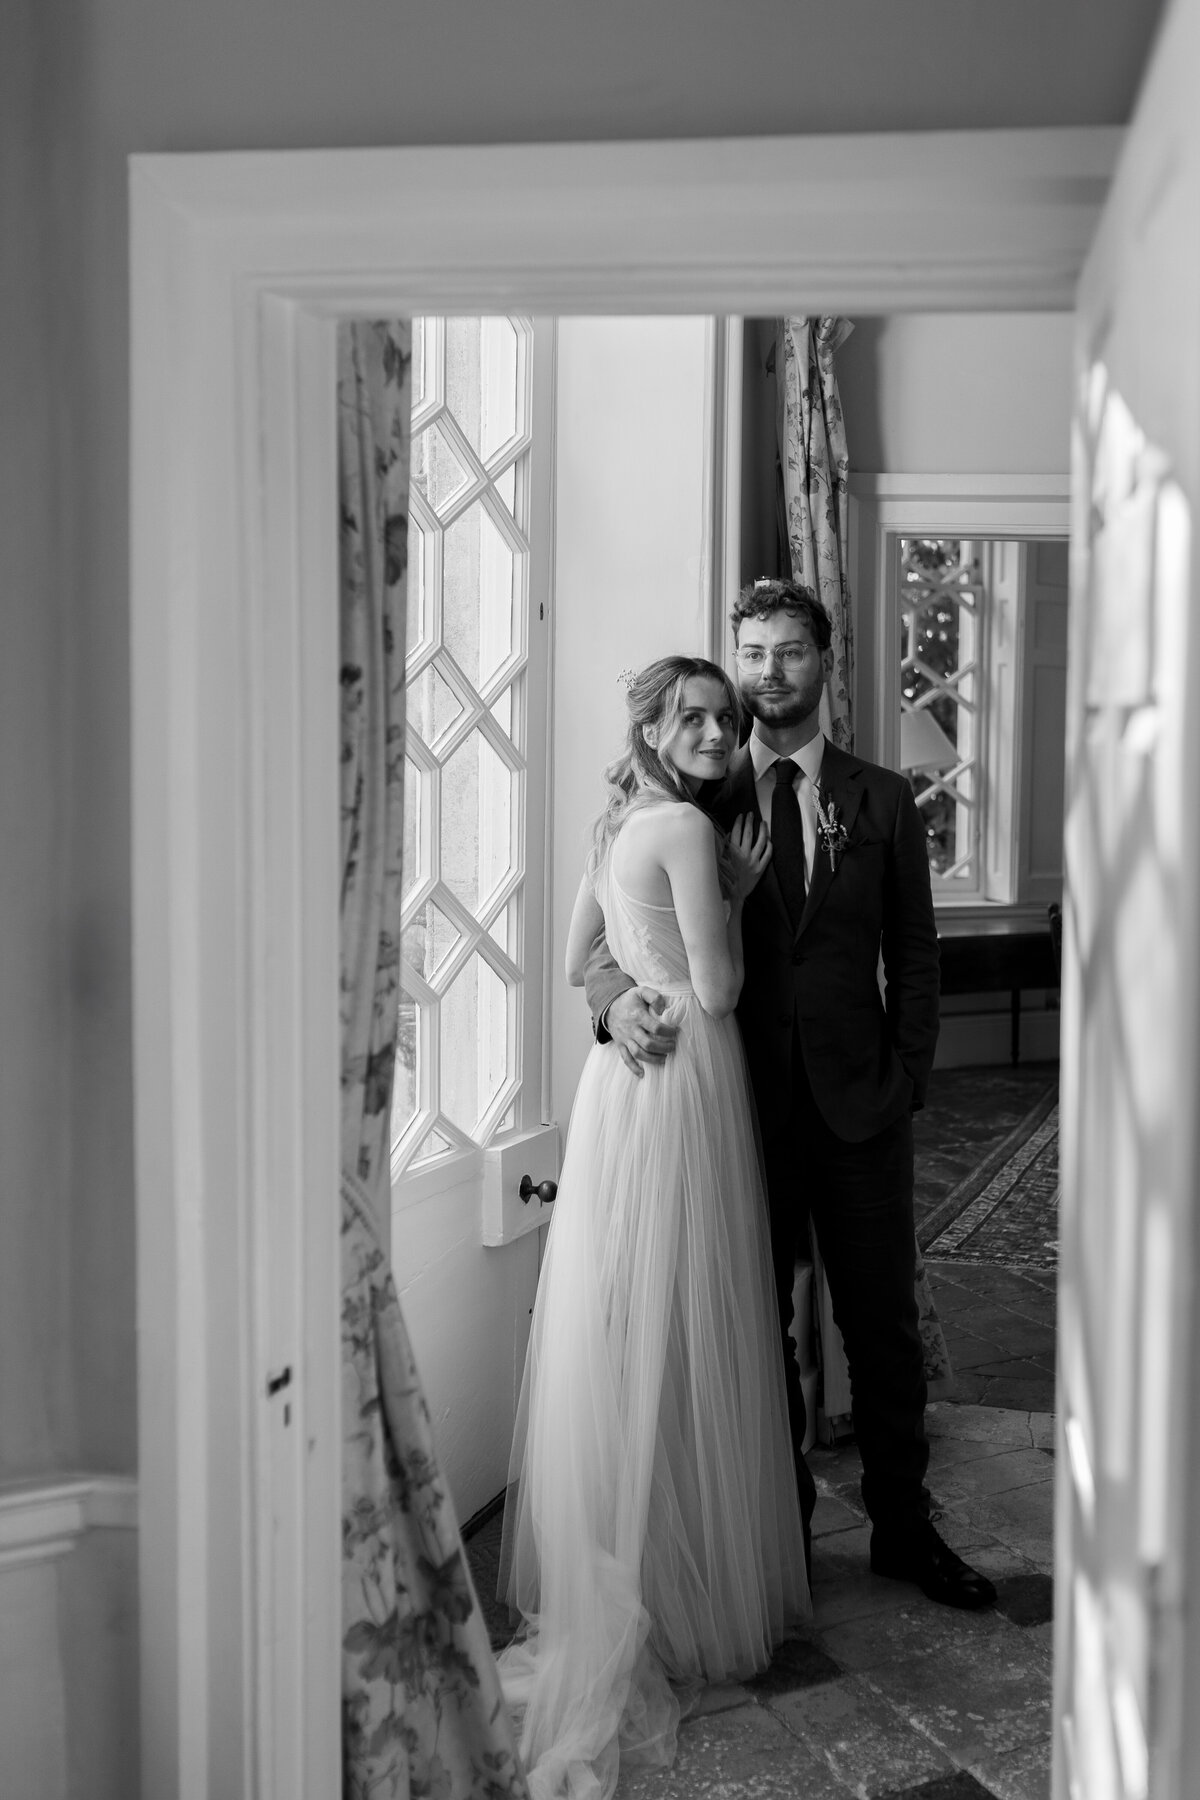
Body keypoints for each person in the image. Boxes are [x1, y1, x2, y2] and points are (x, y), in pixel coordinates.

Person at [586, 580, 997, 1613]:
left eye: (790, 652)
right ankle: (783, 1547)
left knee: (881, 1327)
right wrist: (611, 1007)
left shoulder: (883, 798)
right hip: (737, 1116)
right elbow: (601, 942)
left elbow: (915, 950)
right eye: (753, 653)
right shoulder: (696, 793)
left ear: (827, 660)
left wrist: (907, 1075)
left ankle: (906, 1528)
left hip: (863, 1108)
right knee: (750, 1328)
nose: (769, 673)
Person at [497, 656, 810, 1800]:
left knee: (640, 1324)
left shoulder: (616, 820)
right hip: (686, 1083)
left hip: (630, 1092)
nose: (722, 730)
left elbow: (577, 956)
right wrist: (728, 892)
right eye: (698, 716)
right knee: (689, 1319)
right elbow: (719, 993)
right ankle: (681, 1602)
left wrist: (622, 992)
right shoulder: (681, 828)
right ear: (655, 727)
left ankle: (645, 1574)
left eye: (727, 717)